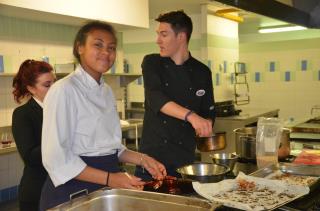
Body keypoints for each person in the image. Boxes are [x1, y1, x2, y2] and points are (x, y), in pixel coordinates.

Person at [39, 21, 166, 210]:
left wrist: (143, 159)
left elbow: (109, 147)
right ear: (80, 47)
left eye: (111, 47)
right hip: (73, 191)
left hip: (105, 184)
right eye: (98, 45)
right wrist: (110, 178)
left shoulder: (106, 90)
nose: (106, 53)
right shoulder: (64, 90)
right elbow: (57, 159)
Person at [135, 10, 216, 180]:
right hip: (151, 162)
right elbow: (155, 97)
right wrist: (191, 116)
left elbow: (208, 112)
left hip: (184, 163)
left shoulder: (202, 72)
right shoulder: (152, 62)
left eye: (163, 35)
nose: (158, 40)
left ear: (181, 37)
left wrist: (206, 126)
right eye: (158, 34)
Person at [11, 59, 55, 211]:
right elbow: (30, 156)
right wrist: (61, 140)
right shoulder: (23, 114)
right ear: (31, 88)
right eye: (47, 85)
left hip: (62, 187)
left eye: (54, 83)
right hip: (38, 190)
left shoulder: (60, 110)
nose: (54, 89)